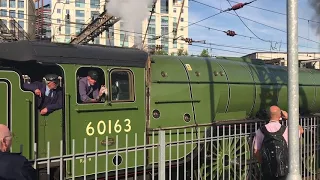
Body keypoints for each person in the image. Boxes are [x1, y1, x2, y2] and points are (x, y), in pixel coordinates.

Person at [253, 106, 303, 180]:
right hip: (283, 170)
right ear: (280, 115)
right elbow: (301, 130)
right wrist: (289, 117)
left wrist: (264, 163)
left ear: (268, 115)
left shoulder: (260, 131)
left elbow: (256, 151)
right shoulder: (286, 130)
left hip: (267, 171)